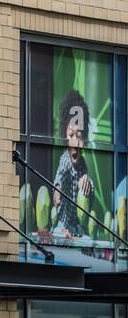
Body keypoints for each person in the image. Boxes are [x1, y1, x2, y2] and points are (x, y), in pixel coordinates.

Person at [52, 89, 92, 237]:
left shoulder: (82, 162)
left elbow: (87, 187)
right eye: (71, 136)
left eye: (79, 136)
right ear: (64, 136)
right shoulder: (65, 159)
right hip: (64, 225)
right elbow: (61, 173)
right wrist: (57, 187)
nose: (75, 142)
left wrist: (86, 178)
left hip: (77, 227)